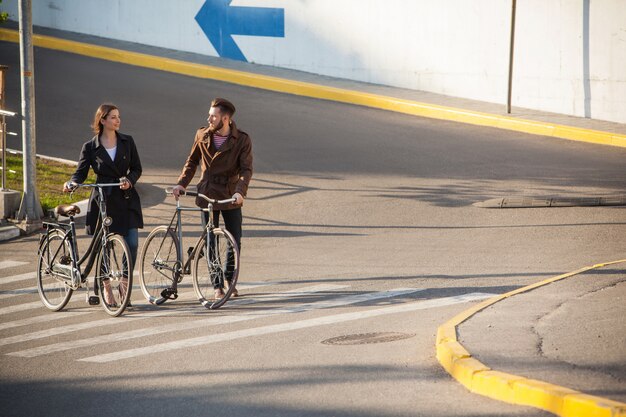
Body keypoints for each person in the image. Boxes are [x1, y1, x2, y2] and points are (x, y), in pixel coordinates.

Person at [172, 97, 253, 299]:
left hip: (230, 195)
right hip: (207, 192)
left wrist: (240, 192)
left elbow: (246, 170)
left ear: (225, 119)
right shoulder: (202, 134)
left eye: (213, 116)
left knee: (234, 239)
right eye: (209, 115)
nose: (209, 119)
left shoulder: (242, 139)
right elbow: (191, 162)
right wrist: (181, 183)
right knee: (211, 240)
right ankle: (217, 284)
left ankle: (229, 278)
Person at [64, 103, 143, 305]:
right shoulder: (90, 147)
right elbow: (80, 174)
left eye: (118, 116)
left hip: (126, 197)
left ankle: (124, 284)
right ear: (103, 120)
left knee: (132, 243)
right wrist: (72, 183)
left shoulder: (127, 141)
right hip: (103, 199)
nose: (118, 120)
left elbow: (136, 168)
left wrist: (130, 180)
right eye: (114, 117)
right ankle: (105, 287)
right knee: (104, 247)